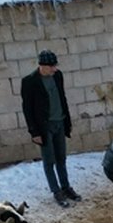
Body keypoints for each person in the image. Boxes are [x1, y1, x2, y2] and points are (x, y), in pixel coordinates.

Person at [20, 50, 79, 207]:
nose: (54, 69)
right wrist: (34, 132)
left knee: (61, 158)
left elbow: (62, 97)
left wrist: (67, 121)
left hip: (59, 122)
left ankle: (66, 187)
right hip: (44, 127)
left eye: (55, 66)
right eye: (51, 66)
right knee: (49, 160)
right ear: (42, 66)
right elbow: (27, 109)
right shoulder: (29, 81)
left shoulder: (58, 76)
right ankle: (56, 191)